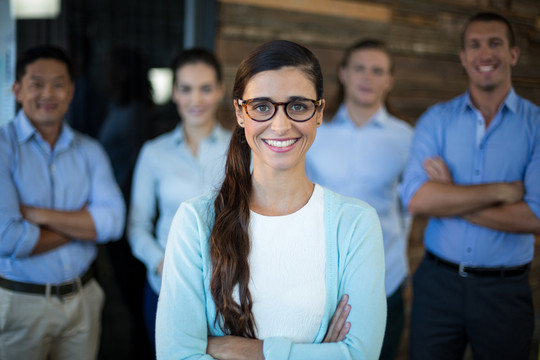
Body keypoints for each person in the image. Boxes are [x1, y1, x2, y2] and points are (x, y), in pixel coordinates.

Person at [156, 39, 387, 359]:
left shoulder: (355, 223)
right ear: (240, 113)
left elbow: (359, 354)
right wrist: (316, 353)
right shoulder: (195, 221)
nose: (280, 125)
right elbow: (176, 354)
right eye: (262, 107)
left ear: (318, 112)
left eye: (298, 106)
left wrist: (253, 351)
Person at [399, 12, 540, 360]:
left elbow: (536, 217)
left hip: (505, 292)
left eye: (495, 43)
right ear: (463, 58)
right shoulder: (436, 120)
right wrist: (503, 191)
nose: (485, 53)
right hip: (437, 285)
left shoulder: (536, 125)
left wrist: (451, 194)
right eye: (474, 45)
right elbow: (416, 199)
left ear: (513, 54)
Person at [0, 45, 125, 359]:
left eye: (58, 84)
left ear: (70, 92)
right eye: (37, 84)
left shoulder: (90, 150)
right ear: (17, 90)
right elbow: (8, 238)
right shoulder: (3, 148)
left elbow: (113, 222)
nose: (48, 93)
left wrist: (36, 215)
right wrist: (84, 224)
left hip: (83, 301)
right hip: (20, 306)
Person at [306, 39, 413, 360]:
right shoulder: (314, 131)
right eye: (359, 68)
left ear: (389, 80)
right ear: (343, 74)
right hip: (320, 279)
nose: (367, 77)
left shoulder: (407, 138)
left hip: (385, 279)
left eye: (377, 70)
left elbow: (409, 209)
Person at [127, 48, 232, 351]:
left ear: (220, 90)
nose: (196, 100)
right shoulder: (154, 152)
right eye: (186, 89)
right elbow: (137, 225)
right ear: (174, 92)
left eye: (206, 89)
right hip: (166, 288)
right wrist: (161, 263)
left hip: (225, 293)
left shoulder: (242, 150)